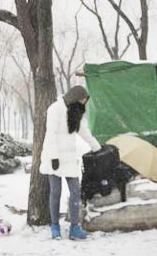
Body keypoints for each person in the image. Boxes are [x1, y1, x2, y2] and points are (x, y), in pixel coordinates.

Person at [40, 85, 101, 241]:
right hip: (54, 157)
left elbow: (84, 131)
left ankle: (75, 228)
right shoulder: (55, 109)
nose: (83, 104)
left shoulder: (76, 112)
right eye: (82, 100)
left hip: (69, 158)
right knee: (56, 192)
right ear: (74, 98)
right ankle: (55, 227)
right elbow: (51, 133)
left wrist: (96, 147)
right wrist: (54, 157)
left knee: (75, 192)